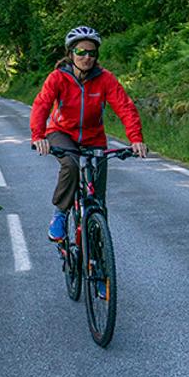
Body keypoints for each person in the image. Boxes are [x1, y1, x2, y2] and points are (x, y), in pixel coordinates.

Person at [30, 26, 144, 242]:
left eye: (92, 53)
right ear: (71, 54)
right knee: (71, 165)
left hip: (94, 138)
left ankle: (98, 248)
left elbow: (125, 107)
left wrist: (136, 139)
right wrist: (38, 136)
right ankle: (60, 214)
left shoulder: (105, 79)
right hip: (62, 133)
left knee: (98, 199)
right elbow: (41, 105)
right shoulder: (58, 78)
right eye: (81, 52)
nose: (87, 57)